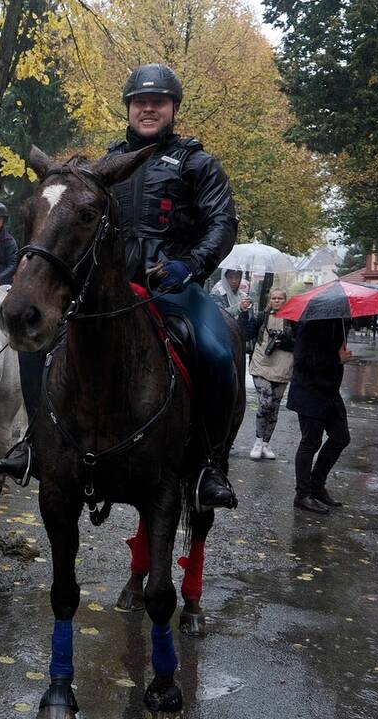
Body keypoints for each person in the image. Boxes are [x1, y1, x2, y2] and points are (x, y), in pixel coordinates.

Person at [106, 63, 240, 509]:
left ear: (173, 108)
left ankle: (210, 464)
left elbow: (221, 223)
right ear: (128, 108)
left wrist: (191, 264)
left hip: (174, 285)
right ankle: (35, 441)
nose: (148, 109)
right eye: (139, 102)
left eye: (157, 102)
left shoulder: (197, 162)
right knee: (45, 343)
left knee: (219, 355)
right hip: (113, 288)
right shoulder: (108, 163)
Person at [286, 318, 352, 515]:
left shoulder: (340, 323)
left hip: (330, 392)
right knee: (310, 443)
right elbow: (302, 360)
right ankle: (302, 495)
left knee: (341, 438)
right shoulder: (311, 324)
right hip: (309, 392)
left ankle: (316, 485)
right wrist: (336, 359)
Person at [240, 288, 294, 460]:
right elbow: (247, 334)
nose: (277, 301)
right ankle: (257, 441)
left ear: (285, 300)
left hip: (283, 367)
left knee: (275, 408)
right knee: (265, 403)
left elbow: (299, 343)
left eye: (280, 298)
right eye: (274, 298)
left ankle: (266, 443)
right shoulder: (261, 317)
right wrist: (243, 313)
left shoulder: (292, 319)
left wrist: (283, 342)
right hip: (261, 365)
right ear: (269, 300)